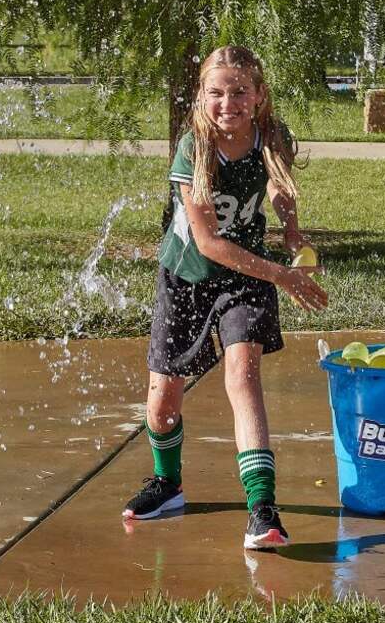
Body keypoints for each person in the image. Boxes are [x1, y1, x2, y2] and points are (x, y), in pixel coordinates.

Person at [124, 45, 328, 545]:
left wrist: (292, 230)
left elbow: (280, 186)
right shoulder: (193, 149)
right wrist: (283, 275)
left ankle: (263, 510)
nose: (227, 102)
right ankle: (167, 482)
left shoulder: (270, 135)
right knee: (162, 404)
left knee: (243, 375)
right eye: (216, 92)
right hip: (187, 276)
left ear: (258, 97)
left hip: (246, 277)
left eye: (239, 92)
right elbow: (210, 243)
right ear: (201, 96)